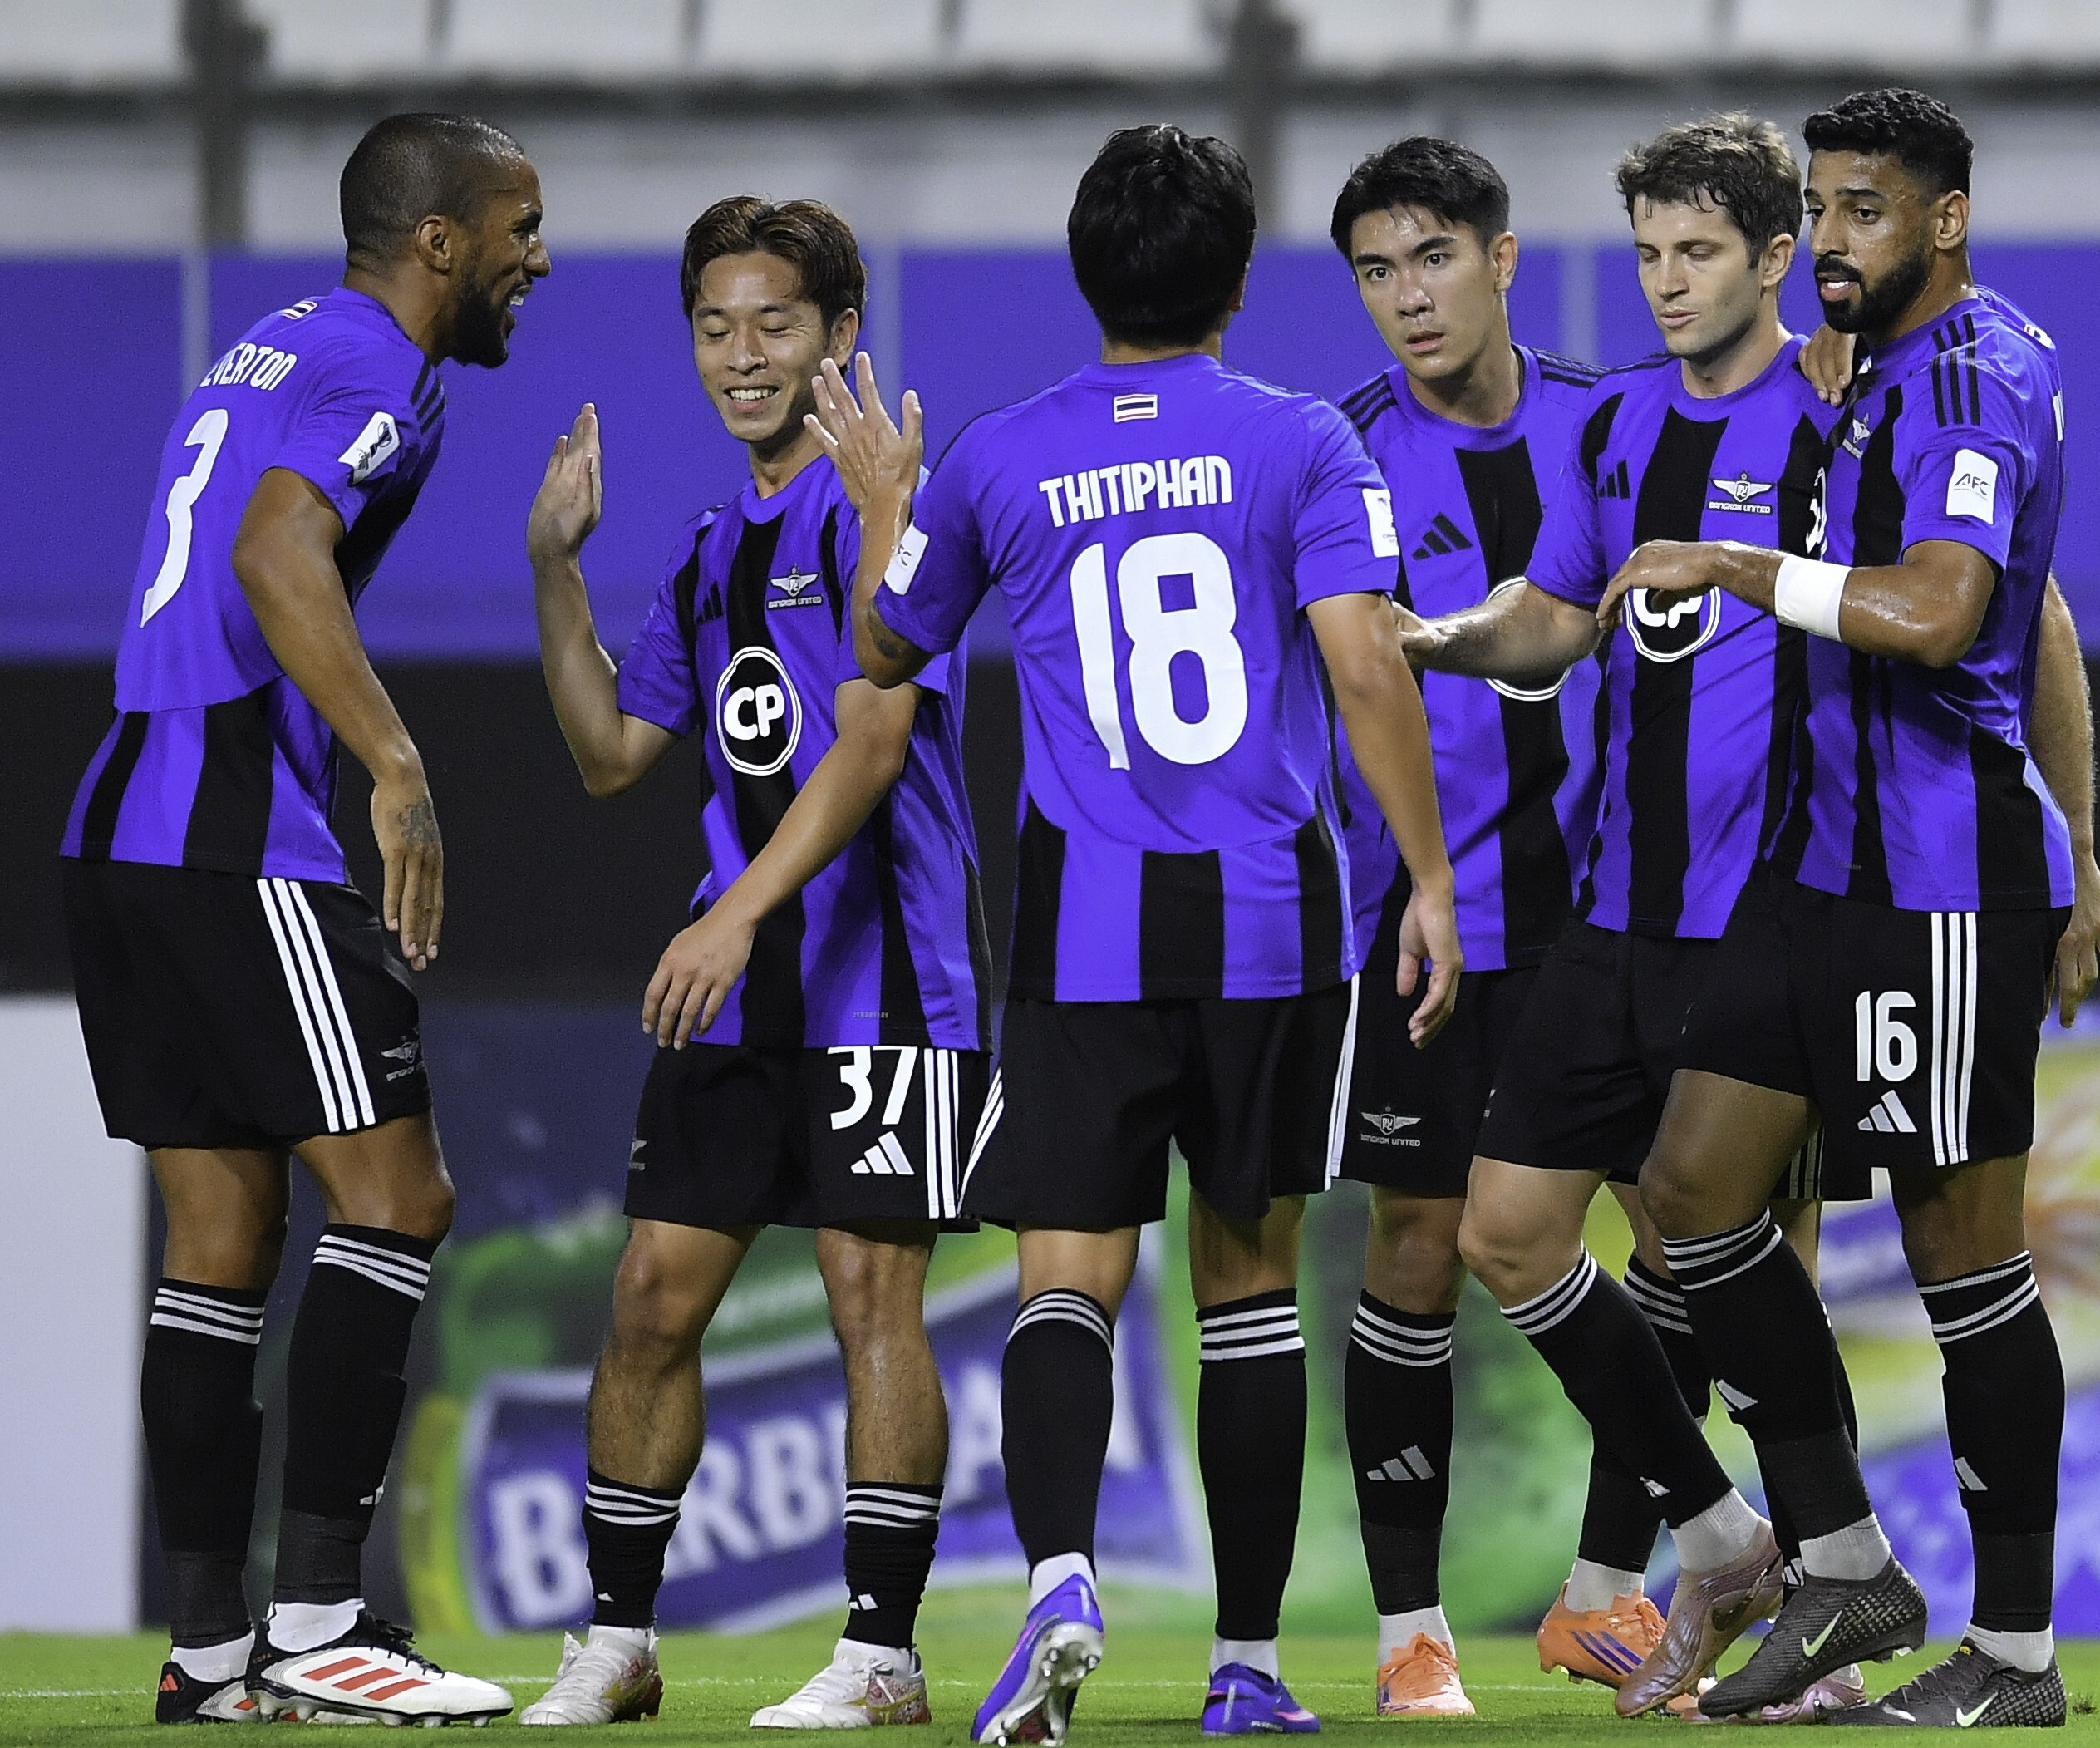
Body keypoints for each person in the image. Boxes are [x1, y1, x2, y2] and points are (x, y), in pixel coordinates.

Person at [808, 122, 1469, 1743]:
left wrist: (887, 504)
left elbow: (883, 647)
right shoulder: (1305, 441)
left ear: (1085, 273)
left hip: (1083, 933)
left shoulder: (998, 456)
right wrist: (1431, 878)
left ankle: (1057, 1578)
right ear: (1235, 281)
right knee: (1246, 1289)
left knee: (1065, 1279)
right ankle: (1245, 1665)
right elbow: (1365, 662)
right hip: (1268, 928)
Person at [1597, 88, 2100, 1726]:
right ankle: (1841, 1563)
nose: (1829, 238)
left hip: (1937, 882)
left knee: (1962, 1264)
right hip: (1817, 874)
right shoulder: (1877, 372)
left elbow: (1947, 609)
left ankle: (2013, 1654)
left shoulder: (1971, 376)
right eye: (1819, 207)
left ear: (1944, 220)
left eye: (1864, 210)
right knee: (1688, 1190)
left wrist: (1732, 564)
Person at [58, 112, 544, 1726]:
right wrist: (396, 763)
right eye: (519, 228)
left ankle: (209, 1653)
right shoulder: (381, 369)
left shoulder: (271, 342)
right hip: (230, 829)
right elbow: (279, 552)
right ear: (439, 244)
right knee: (399, 1198)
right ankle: (324, 1621)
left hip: (121, 825)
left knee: (221, 1242)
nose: (537, 259)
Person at [1398, 113, 1878, 1722]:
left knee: (1736, 1247)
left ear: (1771, 258)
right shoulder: (1611, 429)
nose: (1668, 282)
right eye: (1649, 253)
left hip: (1770, 911)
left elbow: (1956, 608)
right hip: (1613, 915)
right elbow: (1552, 620)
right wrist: (1434, 639)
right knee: (1504, 1232)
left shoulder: (1839, 415)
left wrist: (2067, 850)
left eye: (1698, 252)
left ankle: (1832, 1583)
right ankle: (1724, 1536)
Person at [516, 195, 990, 1730]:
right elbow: (611, 752)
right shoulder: (710, 548)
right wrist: (554, 568)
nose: (742, 354)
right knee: (652, 1296)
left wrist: (733, 917)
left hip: (891, 979)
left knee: (872, 1298)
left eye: (776, 322)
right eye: (715, 327)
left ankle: (880, 1655)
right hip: (740, 996)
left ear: (840, 333)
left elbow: (875, 734)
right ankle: (617, 1641)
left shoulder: (888, 514)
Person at [1316, 135, 1604, 1719]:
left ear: (1501, 258)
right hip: (1431, 926)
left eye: (1432, 257)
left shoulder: (1614, 426)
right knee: (1418, 1248)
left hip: (1619, 918)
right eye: (1376, 270)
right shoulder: (1342, 454)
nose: (1407, 296)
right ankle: (1411, 1634)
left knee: (1693, 1230)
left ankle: (1617, 1591)